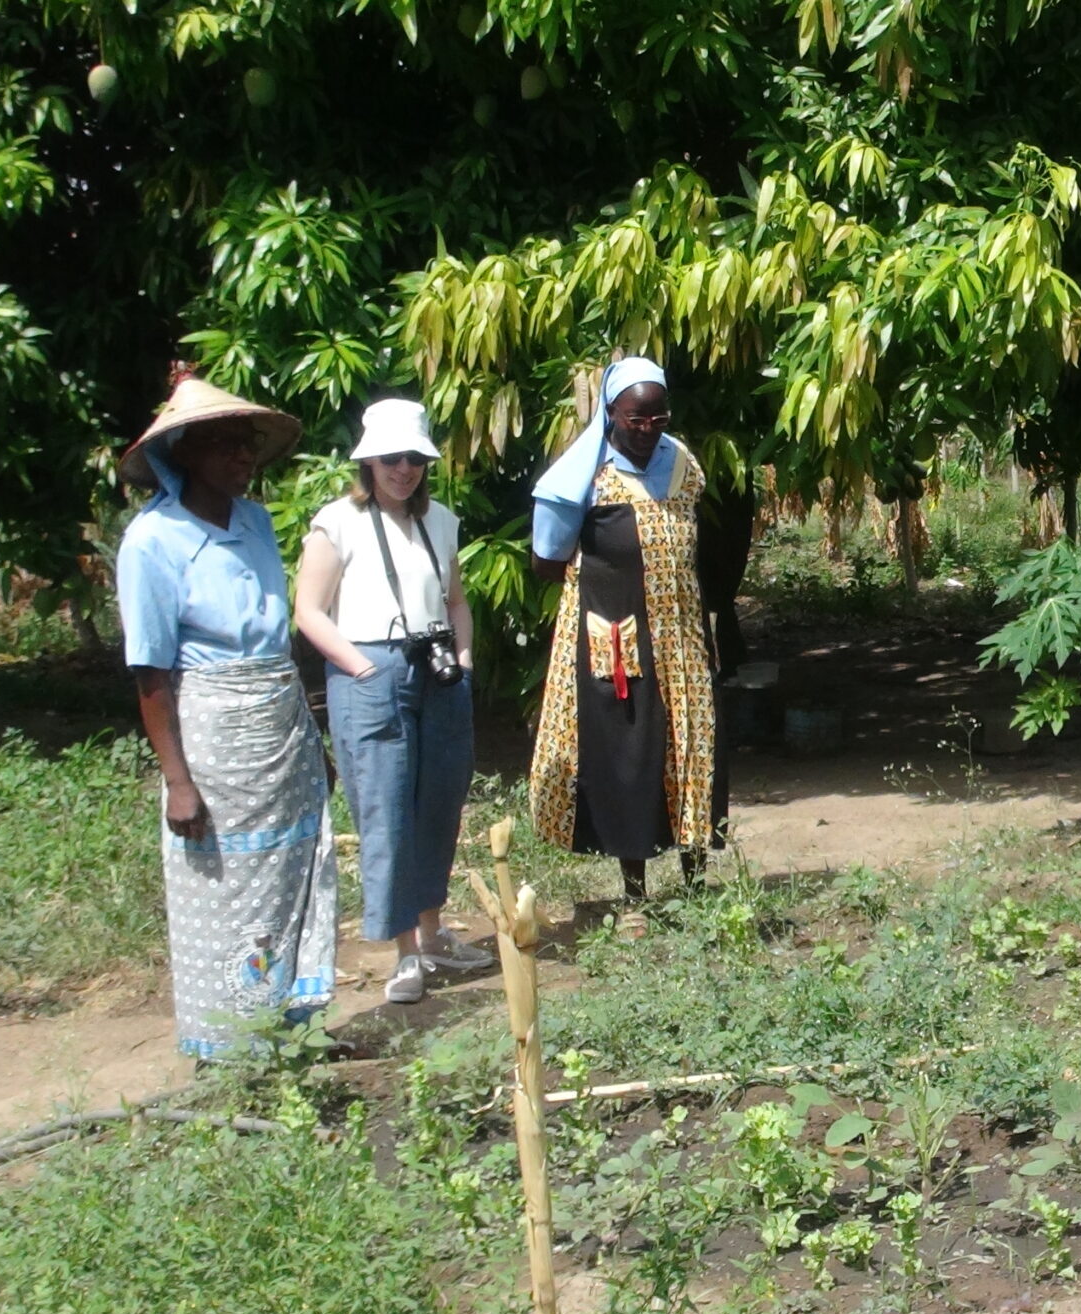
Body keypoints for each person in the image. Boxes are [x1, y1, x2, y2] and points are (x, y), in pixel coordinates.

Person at [115, 367, 337, 1059]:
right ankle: (232, 1045)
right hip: (215, 735)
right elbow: (152, 672)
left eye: (248, 446)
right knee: (228, 889)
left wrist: (309, 736)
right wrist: (178, 781)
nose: (242, 459)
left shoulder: (256, 522)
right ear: (183, 455)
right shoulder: (152, 542)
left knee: (294, 870)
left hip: (280, 728)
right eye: (226, 448)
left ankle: (289, 1030)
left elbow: (279, 645)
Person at [294, 398, 482, 1005]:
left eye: (415, 459)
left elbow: (454, 600)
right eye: (391, 459)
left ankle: (432, 933)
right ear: (368, 461)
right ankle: (403, 952)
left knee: (439, 803)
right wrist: (361, 666)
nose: (403, 469)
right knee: (387, 810)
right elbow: (309, 613)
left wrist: (465, 655)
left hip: (437, 670)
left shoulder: (442, 520)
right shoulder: (337, 521)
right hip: (371, 670)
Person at [527, 358, 727, 919]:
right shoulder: (580, 480)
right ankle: (634, 893)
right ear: (610, 413)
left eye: (658, 416)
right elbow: (547, 561)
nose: (647, 428)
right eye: (634, 418)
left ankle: (695, 882)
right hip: (617, 638)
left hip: (682, 636)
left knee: (691, 747)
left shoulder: (681, 463)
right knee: (628, 754)